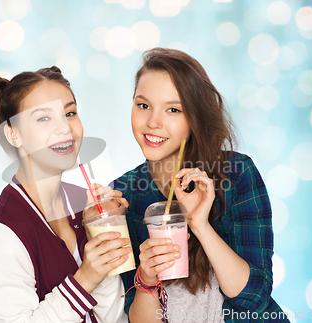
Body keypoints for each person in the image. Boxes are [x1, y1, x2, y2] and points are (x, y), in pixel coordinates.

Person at [111, 48, 289, 322]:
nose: (153, 122)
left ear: (194, 117)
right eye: (143, 105)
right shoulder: (123, 195)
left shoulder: (236, 174)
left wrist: (200, 225)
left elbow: (253, 297)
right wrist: (146, 278)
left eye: (173, 109)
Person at [0, 67, 130, 323]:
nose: (65, 128)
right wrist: (86, 277)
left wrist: (99, 231)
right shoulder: (6, 231)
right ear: (13, 134)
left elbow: (113, 318)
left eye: (69, 113)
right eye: (44, 118)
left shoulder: (84, 205)